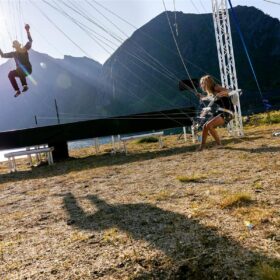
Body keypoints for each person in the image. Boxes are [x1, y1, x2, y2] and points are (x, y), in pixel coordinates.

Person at [197, 75, 234, 151]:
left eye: (202, 83)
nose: (201, 86)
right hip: (221, 112)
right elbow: (211, 99)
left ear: (206, 83)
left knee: (209, 125)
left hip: (227, 112)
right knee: (205, 126)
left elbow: (230, 91)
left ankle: (219, 145)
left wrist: (222, 93)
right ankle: (202, 147)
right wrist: (202, 97)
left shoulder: (216, 87)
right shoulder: (210, 91)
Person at [0, 24, 33, 97]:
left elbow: (30, 40)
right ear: (15, 47)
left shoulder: (24, 49)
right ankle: (17, 90)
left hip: (28, 70)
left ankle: (25, 85)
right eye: (15, 46)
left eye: (17, 46)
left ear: (19, 45)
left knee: (20, 68)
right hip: (20, 72)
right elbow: (2, 55)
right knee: (10, 74)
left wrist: (27, 31)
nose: (16, 47)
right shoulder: (14, 54)